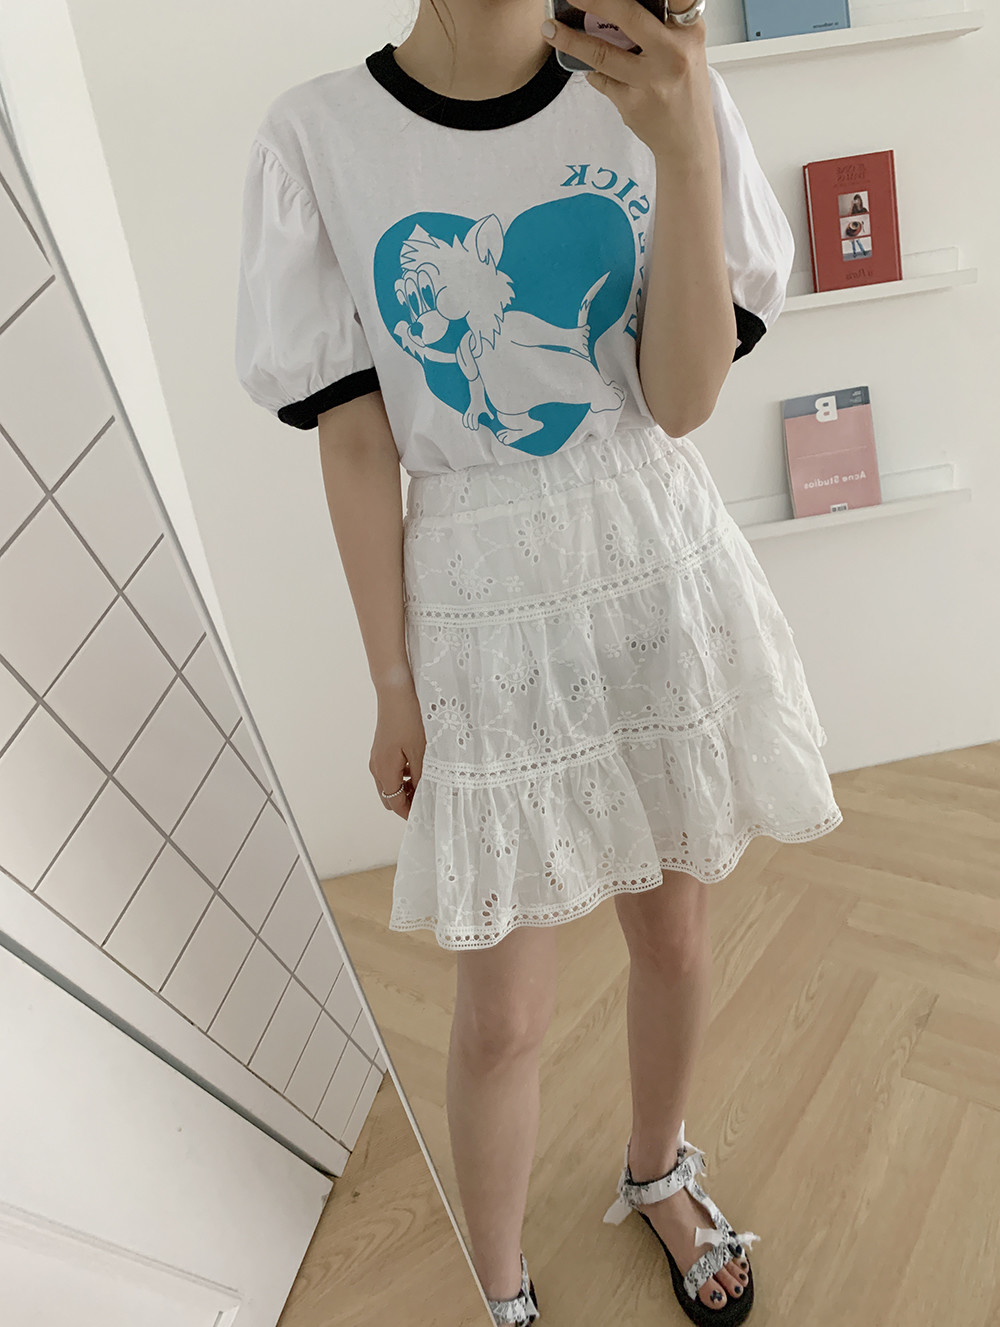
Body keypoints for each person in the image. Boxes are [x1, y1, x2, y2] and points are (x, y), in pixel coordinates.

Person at [235, 1, 844, 1322]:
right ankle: (500, 1284)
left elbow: (681, 401)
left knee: (673, 929)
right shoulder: (321, 138)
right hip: (478, 592)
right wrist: (389, 682)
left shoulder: (656, 84)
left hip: (647, 552)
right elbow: (356, 442)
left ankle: (658, 1167)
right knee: (504, 1010)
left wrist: (680, 144)